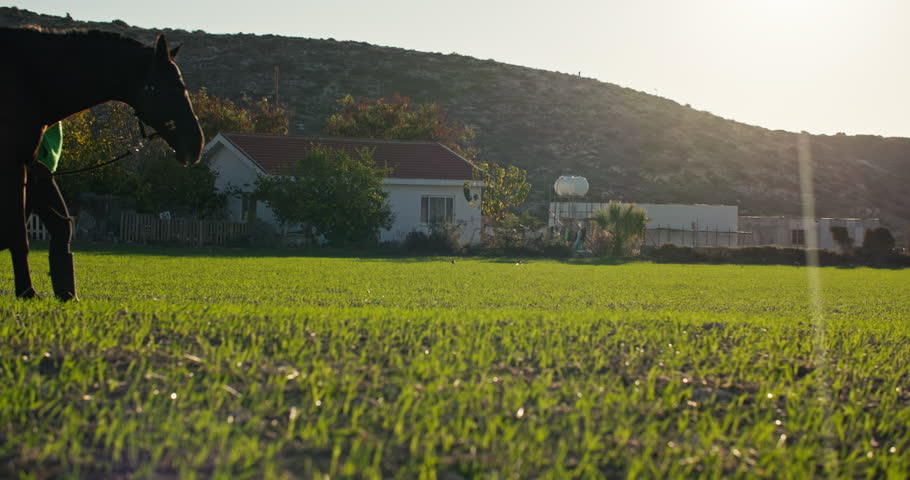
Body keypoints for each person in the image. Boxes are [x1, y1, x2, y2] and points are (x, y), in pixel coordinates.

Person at [27, 121, 78, 301]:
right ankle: (65, 294)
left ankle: (65, 294)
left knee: (60, 227)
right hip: (34, 168)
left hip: (39, 167)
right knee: (61, 228)